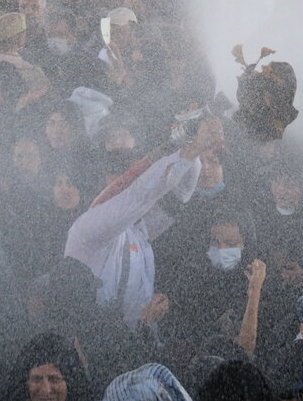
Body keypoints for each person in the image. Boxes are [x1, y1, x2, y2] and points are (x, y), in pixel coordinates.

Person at [64, 114, 219, 327]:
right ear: (108, 180)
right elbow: (141, 193)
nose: (138, 179)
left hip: (135, 340)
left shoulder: (138, 228)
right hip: (96, 341)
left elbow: (180, 195)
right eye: (129, 175)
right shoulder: (88, 226)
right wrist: (192, 148)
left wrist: (192, 145)